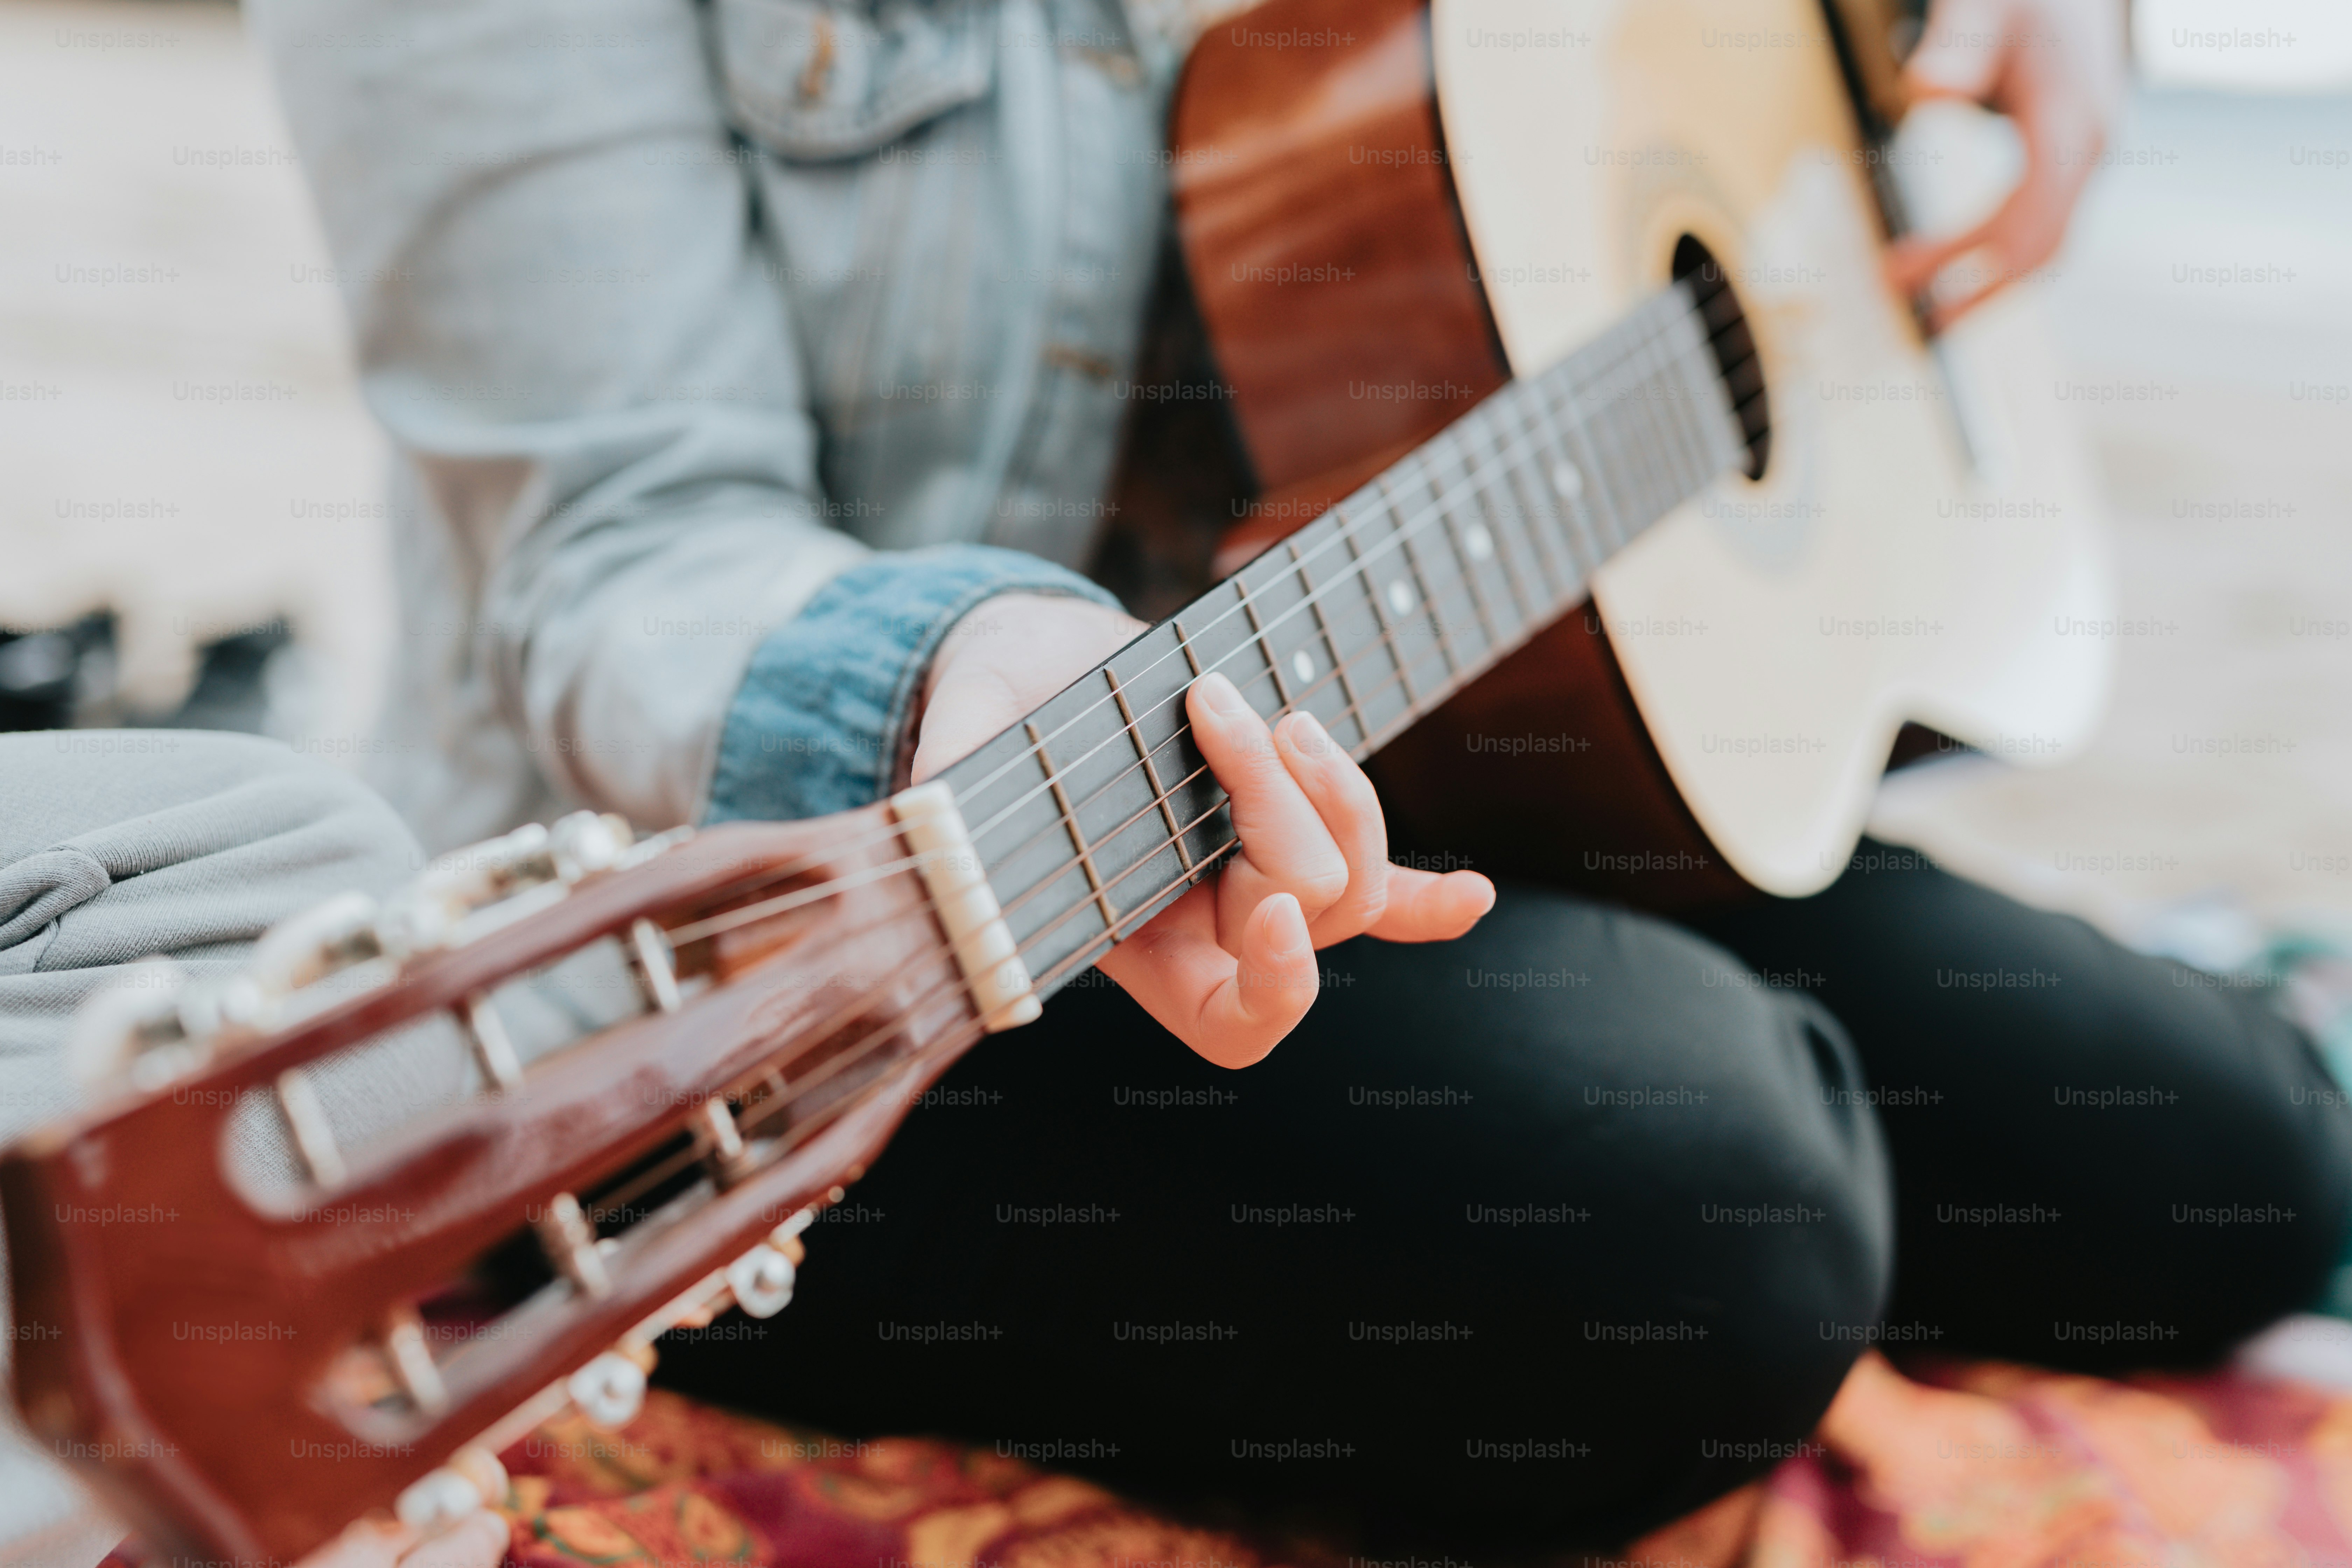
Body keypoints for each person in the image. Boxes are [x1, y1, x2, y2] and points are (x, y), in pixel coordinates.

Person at [3, 0, 2341, 1563]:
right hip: (893, 867)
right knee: (1709, 1218)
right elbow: (615, 549)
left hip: (1494, 697)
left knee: (2231, 1163)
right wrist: (963, 667)